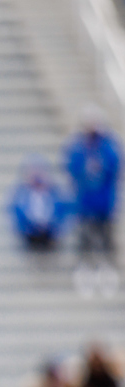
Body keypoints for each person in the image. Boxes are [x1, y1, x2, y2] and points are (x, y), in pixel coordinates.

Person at [65, 107, 120, 295]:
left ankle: (108, 274)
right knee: (85, 241)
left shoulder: (108, 145)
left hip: (104, 204)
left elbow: (114, 166)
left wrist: (100, 164)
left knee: (106, 241)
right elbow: (72, 168)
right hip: (85, 203)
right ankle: (85, 273)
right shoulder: (79, 146)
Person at [8, 153, 67, 252]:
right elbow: (16, 215)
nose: (37, 176)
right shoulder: (20, 195)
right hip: (30, 236)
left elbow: (63, 213)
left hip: (50, 235)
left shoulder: (56, 193)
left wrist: (53, 227)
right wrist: (30, 228)